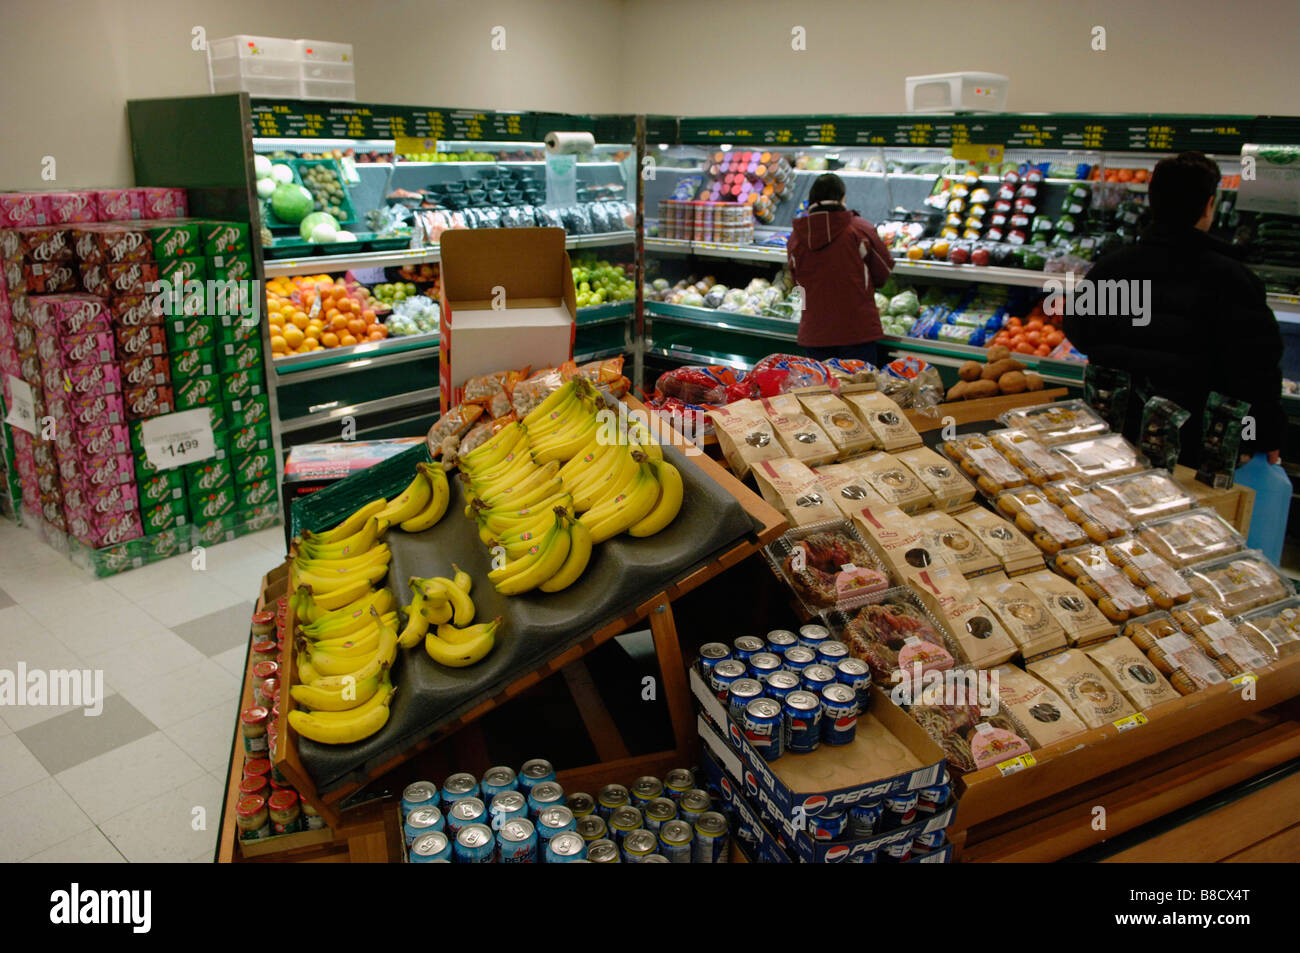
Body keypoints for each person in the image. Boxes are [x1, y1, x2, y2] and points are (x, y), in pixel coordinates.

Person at [1064, 151, 1285, 466]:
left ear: (1153, 202)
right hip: (1196, 443)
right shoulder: (1233, 278)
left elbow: (1079, 332)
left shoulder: (1112, 267)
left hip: (1114, 434)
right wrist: (1263, 435)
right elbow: (1257, 369)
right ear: (1209, 206)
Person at [787, 172, 894, 367]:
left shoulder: (796, 237)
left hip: (814, 332)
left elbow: (796, 283)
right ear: (842, 198)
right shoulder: (860, 229)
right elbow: (883, 272)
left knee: (819, 393)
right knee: (860, 392)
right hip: (857, 331)